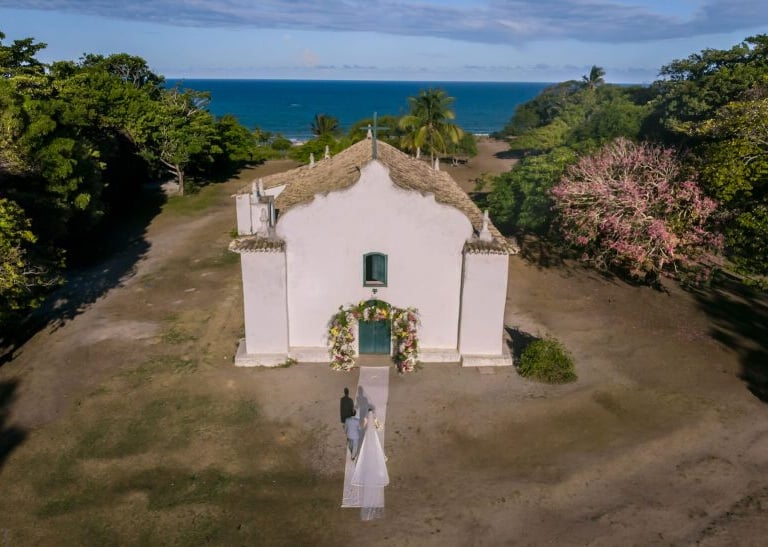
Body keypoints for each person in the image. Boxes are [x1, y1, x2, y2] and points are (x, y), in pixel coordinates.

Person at [350, 408, 389, 520]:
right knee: (374, 452)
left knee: (368, 452)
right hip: (372, 438)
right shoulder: (374, 419)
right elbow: (379, 428)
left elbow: (361, 428)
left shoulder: (366, 418)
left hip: (368, 438)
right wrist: (376, 425)